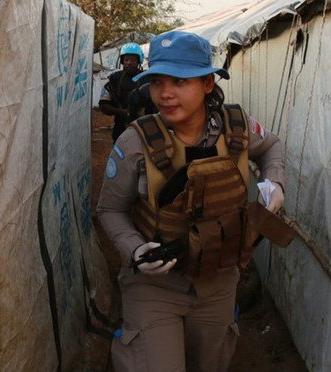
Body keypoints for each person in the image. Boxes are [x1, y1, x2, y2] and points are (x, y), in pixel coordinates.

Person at [96, 30, 286, 372]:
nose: (165, 94)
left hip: (220, 279)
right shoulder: (136, 142)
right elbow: (110, 210)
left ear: (208, 84)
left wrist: (274, 181)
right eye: (156, 82)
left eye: (179, 81)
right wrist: (135, 250)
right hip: (155, 286)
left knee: (210, 362)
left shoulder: (237, 129)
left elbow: (271, 145)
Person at [99, 42, 144, 142]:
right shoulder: (114, 79)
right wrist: (121, 112)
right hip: (121, 129)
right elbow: (103, 105)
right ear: (122, 61)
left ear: (139, 61)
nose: (129, 62)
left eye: (133, 59)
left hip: (145, 129)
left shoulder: (147, 78)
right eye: (126, 59)